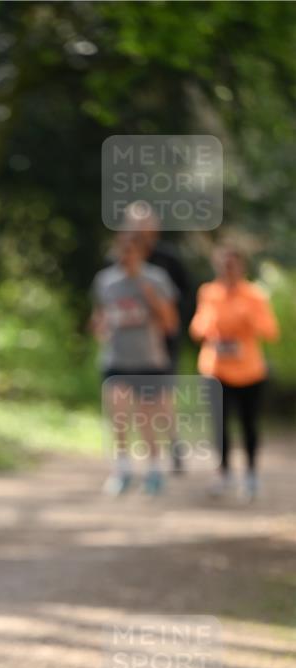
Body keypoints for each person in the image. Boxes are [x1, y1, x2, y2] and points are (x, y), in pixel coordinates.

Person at [91, 230, 179, 496]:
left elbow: (170, 323)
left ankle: (153, 469)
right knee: (117, 414)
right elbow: (99, 316)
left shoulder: (156, 278)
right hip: (116, 358)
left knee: (146, 417)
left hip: (148, 360)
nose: (125, 256)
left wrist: (150, 296)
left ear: (141, 252)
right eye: (122, 250)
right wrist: (100, 328)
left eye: (131, 251)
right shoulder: (105, 281)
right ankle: (122, 470)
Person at [190, 244, 279, 501]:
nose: (227, 269)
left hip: (249, 370)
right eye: (223, 264)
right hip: (215, 368)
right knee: (218, 425)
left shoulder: (255, 295)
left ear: (241, 266)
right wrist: (210, 324)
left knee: (248, 423)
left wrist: (247, 316)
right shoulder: (208, 292)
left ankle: (250, 473)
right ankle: (222, 473)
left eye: (232, 264)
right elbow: (197, 329)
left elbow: (270, 331)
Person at [124, 202, 194, 473]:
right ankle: (145, 451)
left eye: (146, 223)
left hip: (163, 339)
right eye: (135, 223)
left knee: (162, 395)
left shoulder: (168, 259)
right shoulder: (120, 256)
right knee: (132, 397)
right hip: (129, 342)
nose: (141, 229)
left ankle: (174, 445)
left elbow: (185, 296)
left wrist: (169, 321)